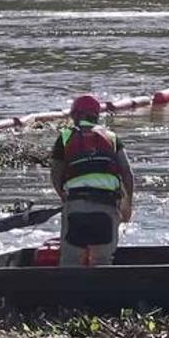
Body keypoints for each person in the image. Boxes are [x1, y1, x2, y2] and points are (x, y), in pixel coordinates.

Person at [50, 94, 134, 266]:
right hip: (107, 206)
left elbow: (55, 173)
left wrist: (64, 197)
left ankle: (68, 291)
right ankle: (102, 291)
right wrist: (127, 206)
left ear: (76, 115)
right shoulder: (112, 138)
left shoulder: (65, 137)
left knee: (70, 262)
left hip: (76, 205)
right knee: (102, 261)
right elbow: (127, 173)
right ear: (96, 116)